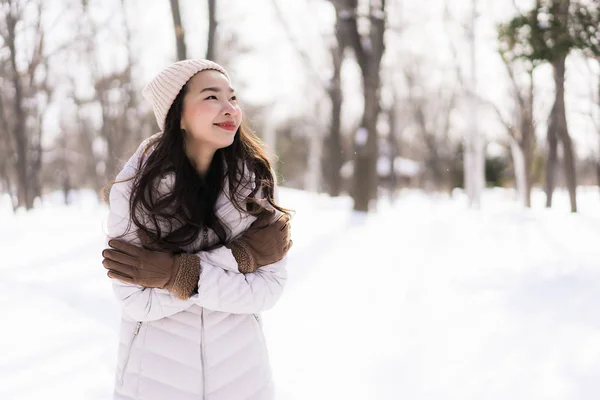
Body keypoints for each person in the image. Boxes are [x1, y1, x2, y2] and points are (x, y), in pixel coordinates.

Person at [101, 59, 293, 400]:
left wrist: (177, 275)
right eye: (211, 97)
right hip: (154, 379)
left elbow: (267, 290)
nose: (229, 107)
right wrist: (241, 257)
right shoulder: (135, 189)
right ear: (179, 115)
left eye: (232, 97)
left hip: (242, 378)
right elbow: (136, 300)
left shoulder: (256, 182)